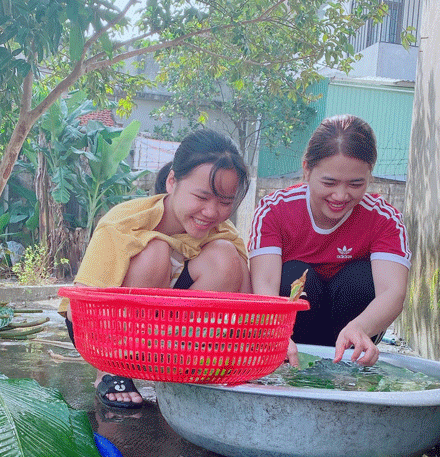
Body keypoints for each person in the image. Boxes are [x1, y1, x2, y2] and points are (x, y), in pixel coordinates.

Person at [63, 128, 251, 409]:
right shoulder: (126, 222)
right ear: (172, 181)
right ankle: (116, 370)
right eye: (201, 197)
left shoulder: (224, 233)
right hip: (104, 332)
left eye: (224, 202)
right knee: (155, 250)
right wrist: (107, 359)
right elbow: (75, 310)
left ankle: (180, 365)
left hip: (167, 338)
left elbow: (249, 304)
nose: (212, 212)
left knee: (226, 255)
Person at [248, 114, 411, 367]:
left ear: (369, 176)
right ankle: (291, 356)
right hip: (294, 328)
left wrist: (359, 327)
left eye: (356, 183)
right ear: (306, 170)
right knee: (296, 275)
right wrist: (276, 331)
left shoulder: (385, 218)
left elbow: (392, 292)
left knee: (359, 278)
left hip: (352, 325)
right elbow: (264, 282)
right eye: (329, 182)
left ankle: (348, 358)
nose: (341, 195)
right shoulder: (273, 210)